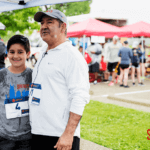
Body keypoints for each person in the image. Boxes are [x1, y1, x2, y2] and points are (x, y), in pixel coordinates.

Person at [29, 9, 90, 150]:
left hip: (59, 135)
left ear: (63, 27)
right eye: (42, 23)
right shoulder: (44, 51)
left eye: (49, 22)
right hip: (38, 131)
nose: (43, 26)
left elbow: (80, 97)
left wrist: (69, 133)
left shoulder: (72, 56)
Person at [0, 35, 32, 149]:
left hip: (27, 138)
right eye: (12, 52)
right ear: (7, 54)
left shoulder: (34, 76)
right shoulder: (1, 76)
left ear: (27, 54)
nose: (15, 56)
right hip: (4, 138)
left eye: (20, 52)